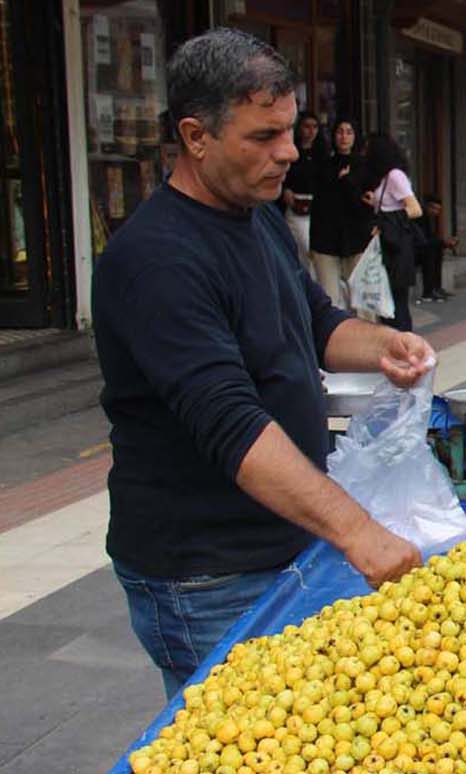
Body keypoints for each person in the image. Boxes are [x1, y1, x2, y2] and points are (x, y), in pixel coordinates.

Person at [92, 28, 433, 698]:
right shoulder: (158, 259)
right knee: (229, 767)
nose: (286, 153)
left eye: (288, 131)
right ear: (195, 137)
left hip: (280, 548)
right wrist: (357, 531)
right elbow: (230, 424)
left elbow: (313, 319)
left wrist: (383, 344)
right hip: (206, 574)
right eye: (262, 137)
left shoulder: (257, 217)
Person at [309, 117, 374, 308]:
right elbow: (320, 204)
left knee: (362, 301)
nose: (344, 137)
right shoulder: (324, 166)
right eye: (340, 132)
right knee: (329, 299)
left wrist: (348, 182)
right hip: (326, 240)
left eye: (349, 132)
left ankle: (364, 337)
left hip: (357, 238)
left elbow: (366, 204)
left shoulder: (364, 167)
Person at [362, 133, 423, 332]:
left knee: (397, 302)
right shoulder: (384, 178)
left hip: (397, 247)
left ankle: (405, 344)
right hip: (388, 247)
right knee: (389, 302)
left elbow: (414, 209)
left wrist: (386, 222)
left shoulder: (395, 176)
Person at [280, 109, 324, 270]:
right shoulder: (292, 151)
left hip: (317, 208)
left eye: (315, 127)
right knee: (302, 247)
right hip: (296, 206)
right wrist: (285, 190)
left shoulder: (322, 153)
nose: (311, 131)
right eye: (307, 126)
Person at [417, 194, 458, 301]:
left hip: (424, 247)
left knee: (437, 250)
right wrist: (442, 242)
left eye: (438, 209)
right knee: (430, 253)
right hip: (415, 250)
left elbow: (431, 238)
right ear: (427, 206)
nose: (436, 212)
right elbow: (422, 240)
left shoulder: (431, 219)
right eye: (434, 209)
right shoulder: (419, 218)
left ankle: (436, 287)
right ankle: (428, 291)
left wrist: (445, 243)